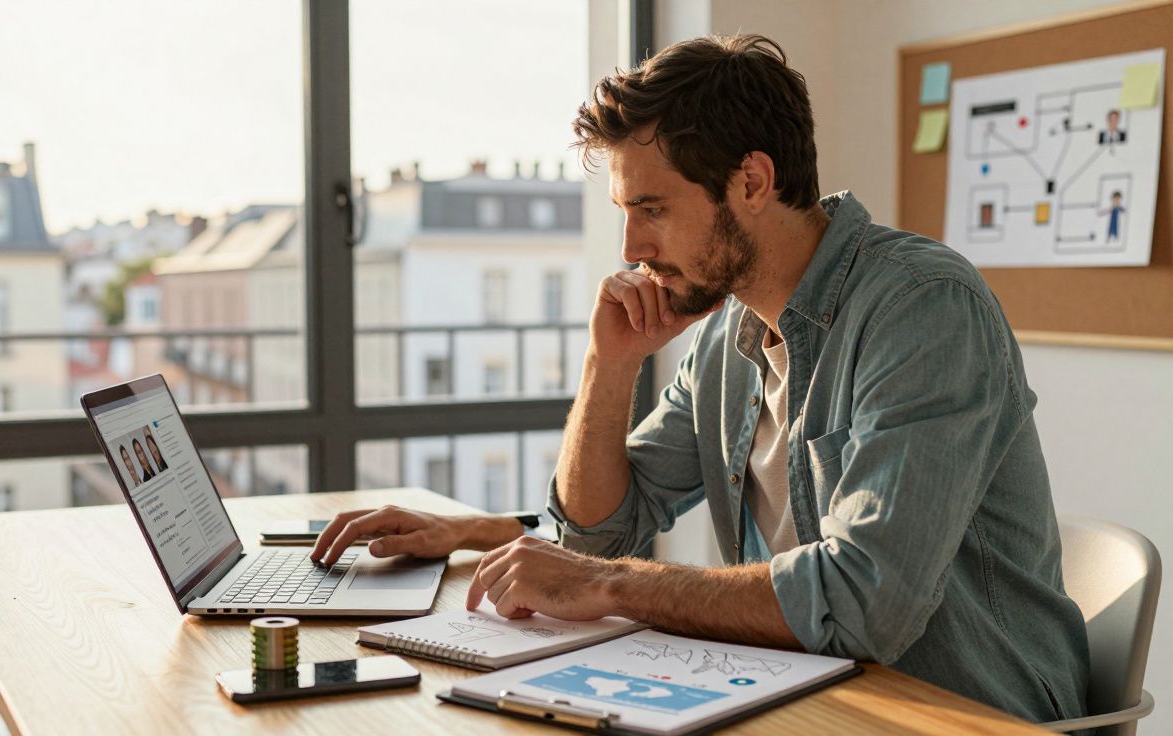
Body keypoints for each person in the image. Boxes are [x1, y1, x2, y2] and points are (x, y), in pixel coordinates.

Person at [311, 34, 1087, 724]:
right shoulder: (729, 334)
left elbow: (865, 602)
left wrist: (611, 586)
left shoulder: (923, 307)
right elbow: (598, 529)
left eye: (650, 208)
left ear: (751, 181)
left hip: (956, 711)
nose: (630, 244)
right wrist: (608, 365)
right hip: (811, 692)